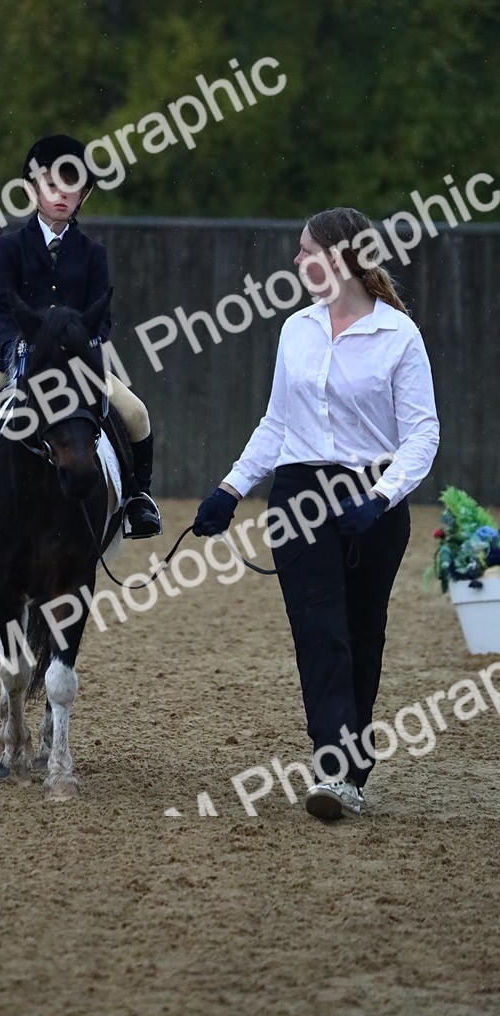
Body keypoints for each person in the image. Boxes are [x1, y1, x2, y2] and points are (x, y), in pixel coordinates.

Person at [193, 207, 439, 821]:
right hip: (299, 494)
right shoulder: (296, 329)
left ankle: (354, 765)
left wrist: (381, 496)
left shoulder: (398, 337)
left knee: (361, 633)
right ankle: (333, 765)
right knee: (320, 631)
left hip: (370, 499)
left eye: (306, 251)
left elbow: (422, 435)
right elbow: (277, 422)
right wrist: (231, 487)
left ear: (340, 257)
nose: (297, 261)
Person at [0, 134, 163, 541]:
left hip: (77, 365)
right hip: (14, 360)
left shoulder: (93, 254)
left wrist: (84, 346)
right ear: (31, 190)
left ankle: (137, 501)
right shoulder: (10, 247)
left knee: (137, 414)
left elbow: (101, 318)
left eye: (71, 189)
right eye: (52, 186)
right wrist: (14, 346)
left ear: (83, 196)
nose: (61, 196)